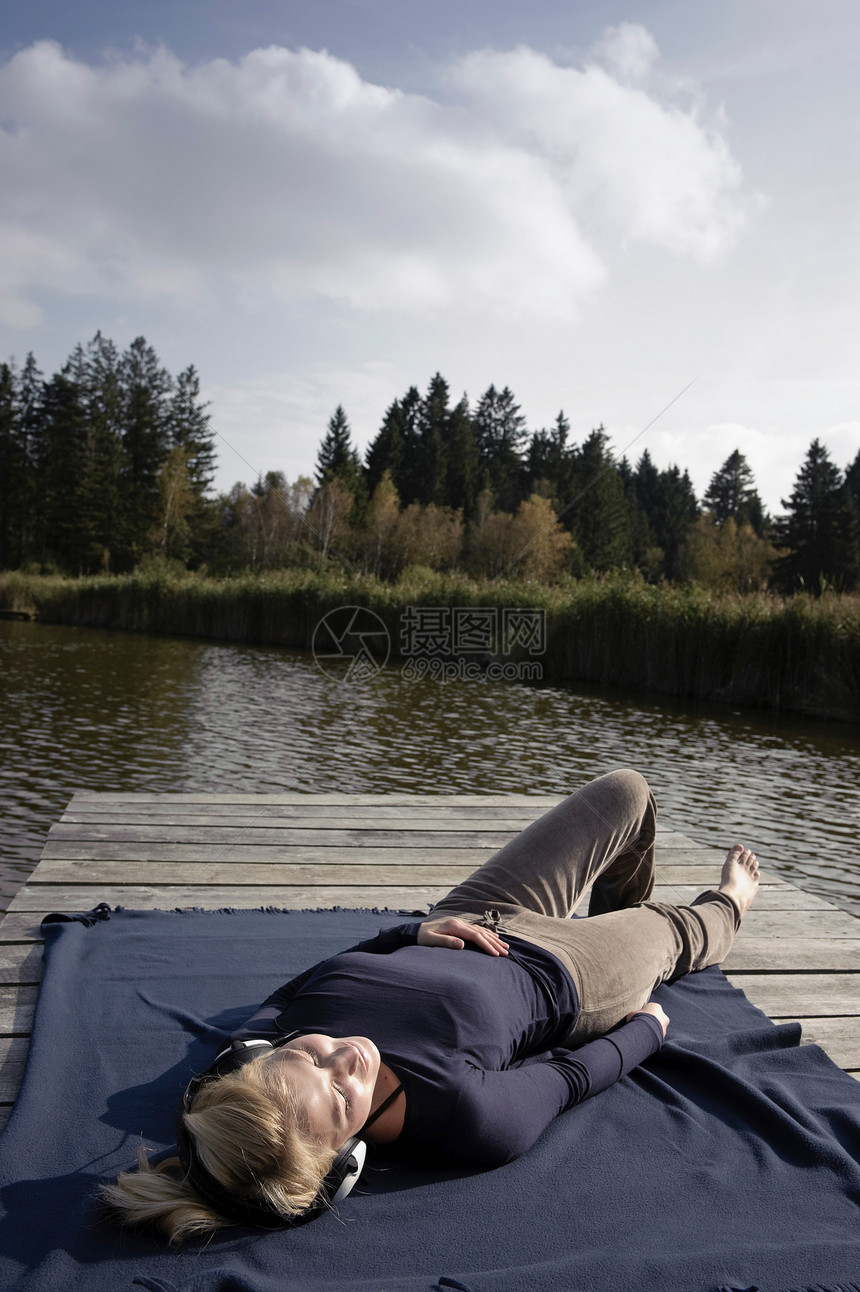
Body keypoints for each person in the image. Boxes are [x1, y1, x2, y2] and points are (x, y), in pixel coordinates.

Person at [101, 769, 760, 1242]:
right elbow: (571, 1078)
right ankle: (728, 905)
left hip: (470, 917)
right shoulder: (466, 1116)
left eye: (311, 1051)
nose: (344, 1054)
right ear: (345, 1163)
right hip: (568, 973)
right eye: (340, 1095)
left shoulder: (254, 1051)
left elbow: (294, 990)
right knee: (680, 929)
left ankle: (616, 915)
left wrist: (410, 934)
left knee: (628, 794)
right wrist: (645, 1028)